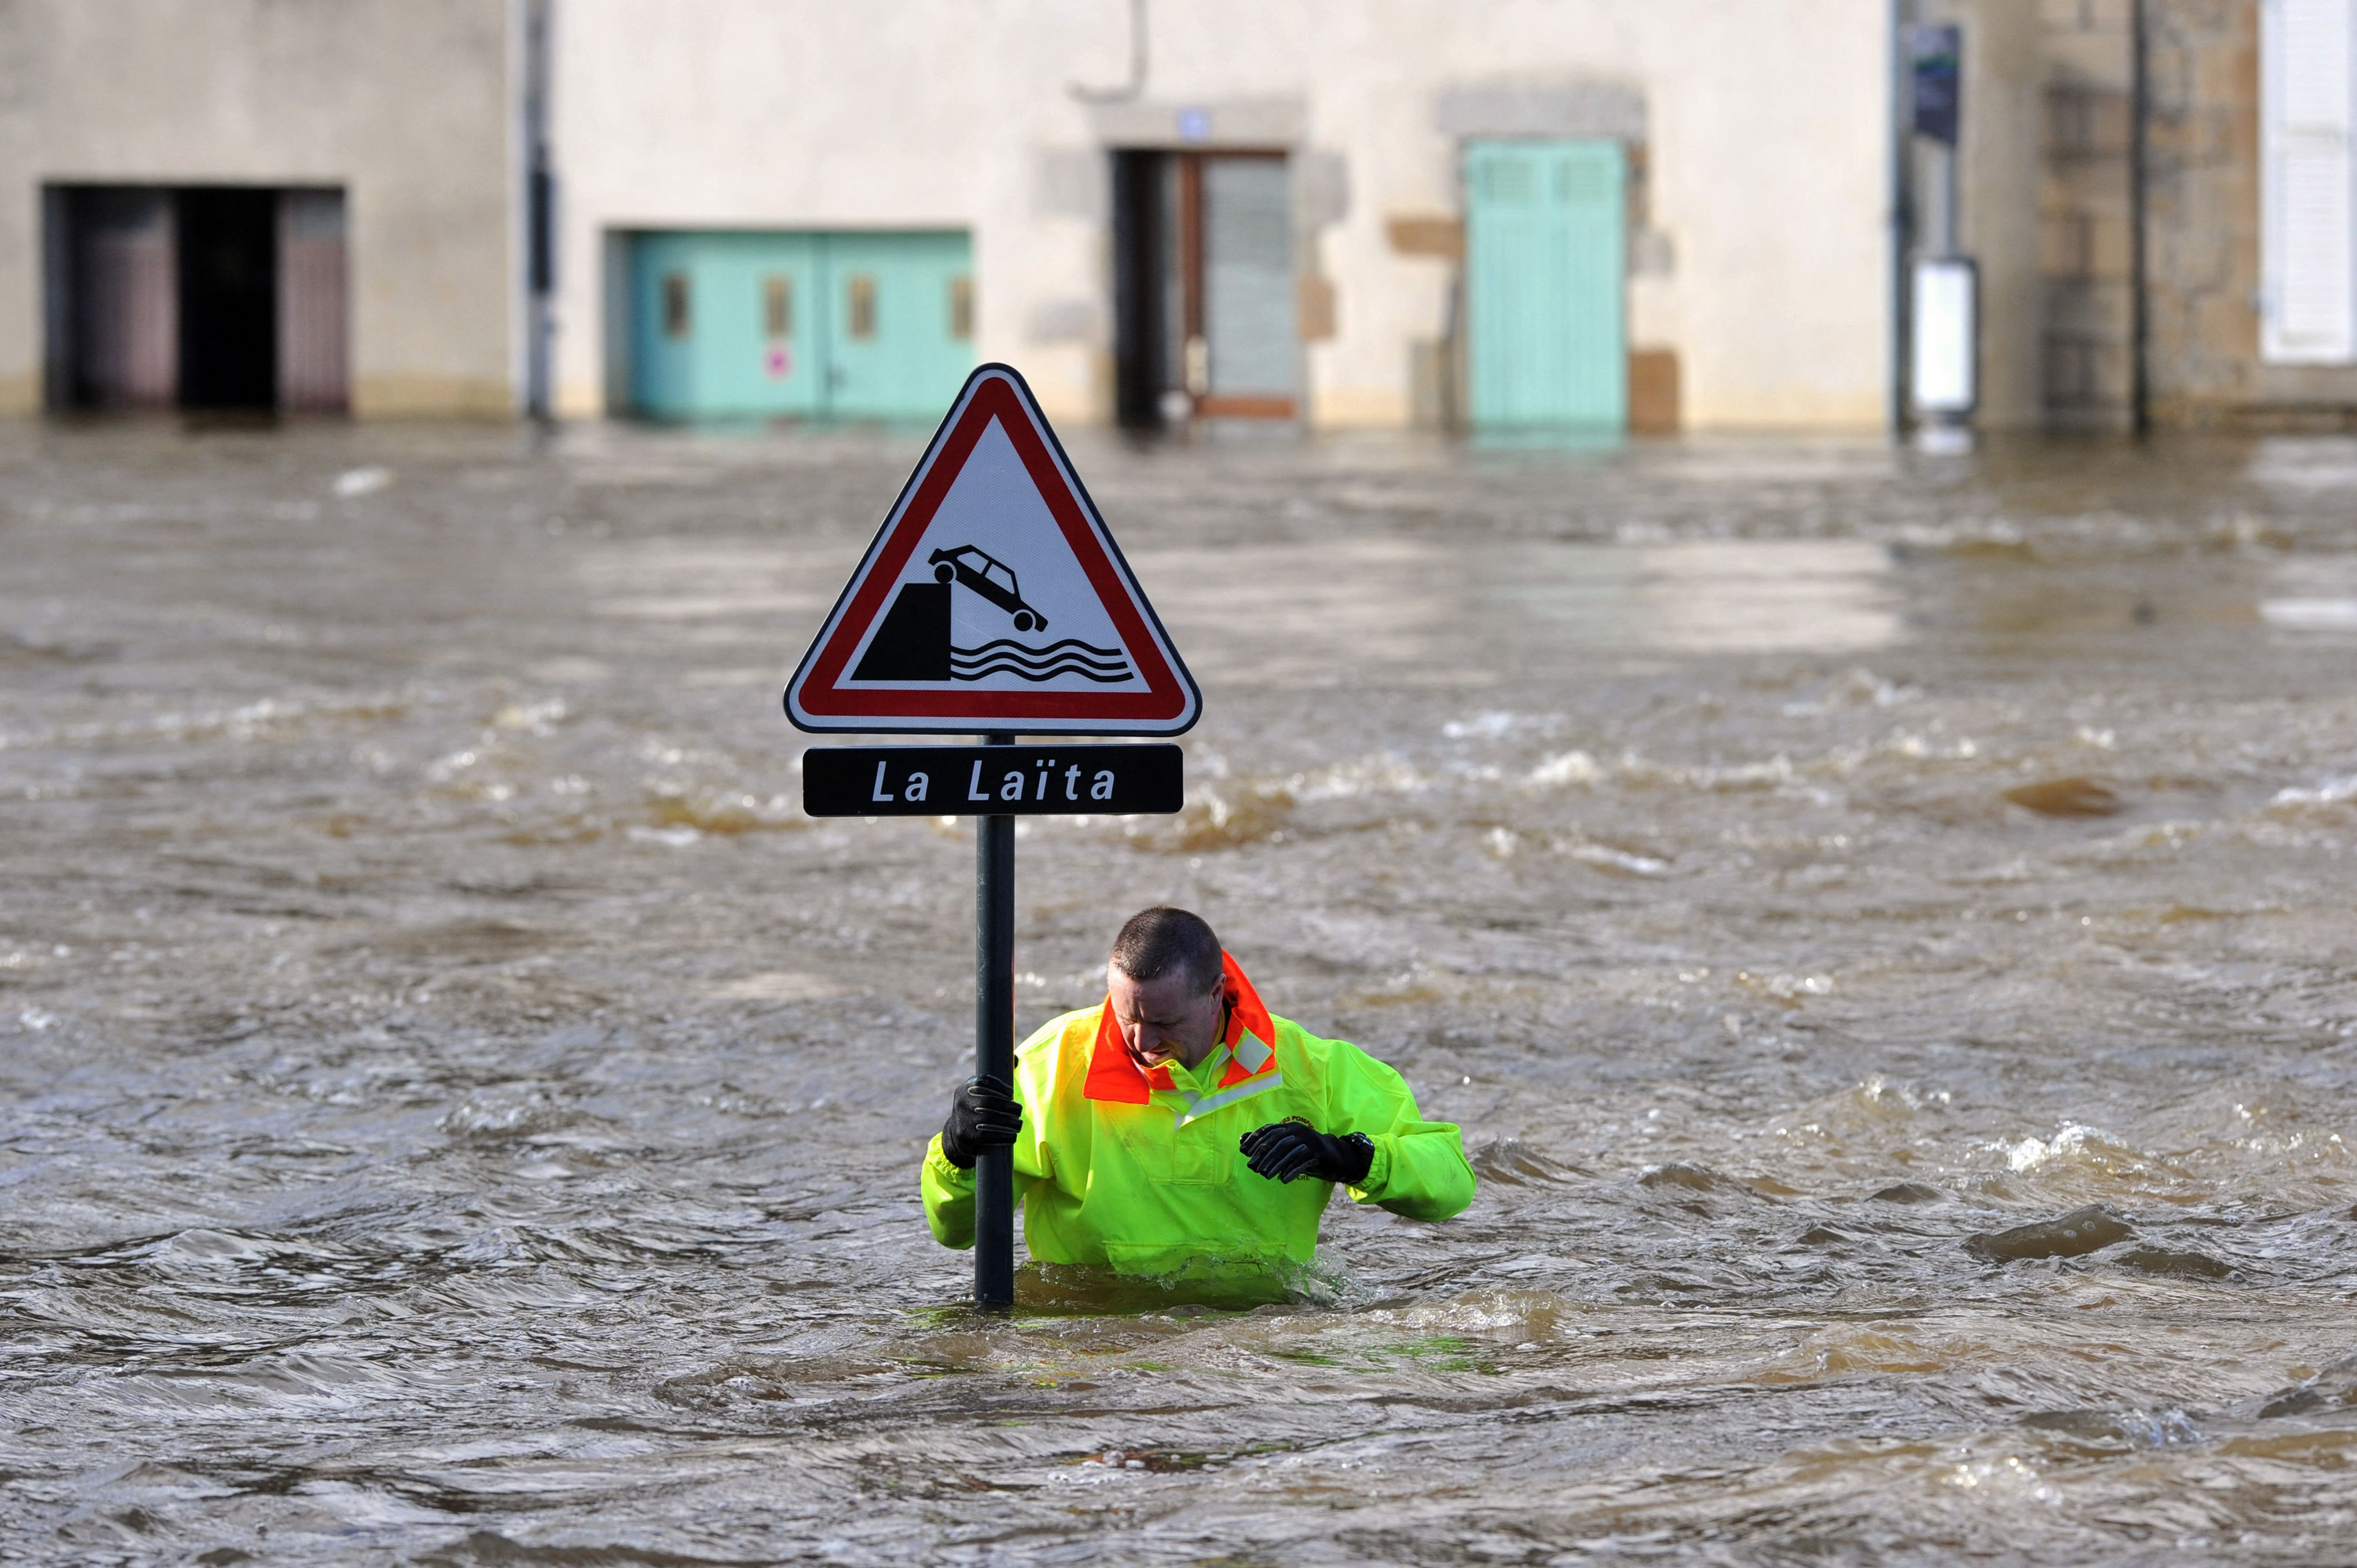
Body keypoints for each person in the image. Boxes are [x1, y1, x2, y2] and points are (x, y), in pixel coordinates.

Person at [921, 906, 1475, 1279]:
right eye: (1126, 1017)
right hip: (1093, 1344)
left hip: (1258, 1347)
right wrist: (956, 1152)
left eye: (1164, 1022)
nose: (1141, 1042)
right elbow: (956, 1232)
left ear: (1215, 994)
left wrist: (1350, 1156)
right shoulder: (1049, 1064)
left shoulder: (1315, 1068)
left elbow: (1451, 1182)